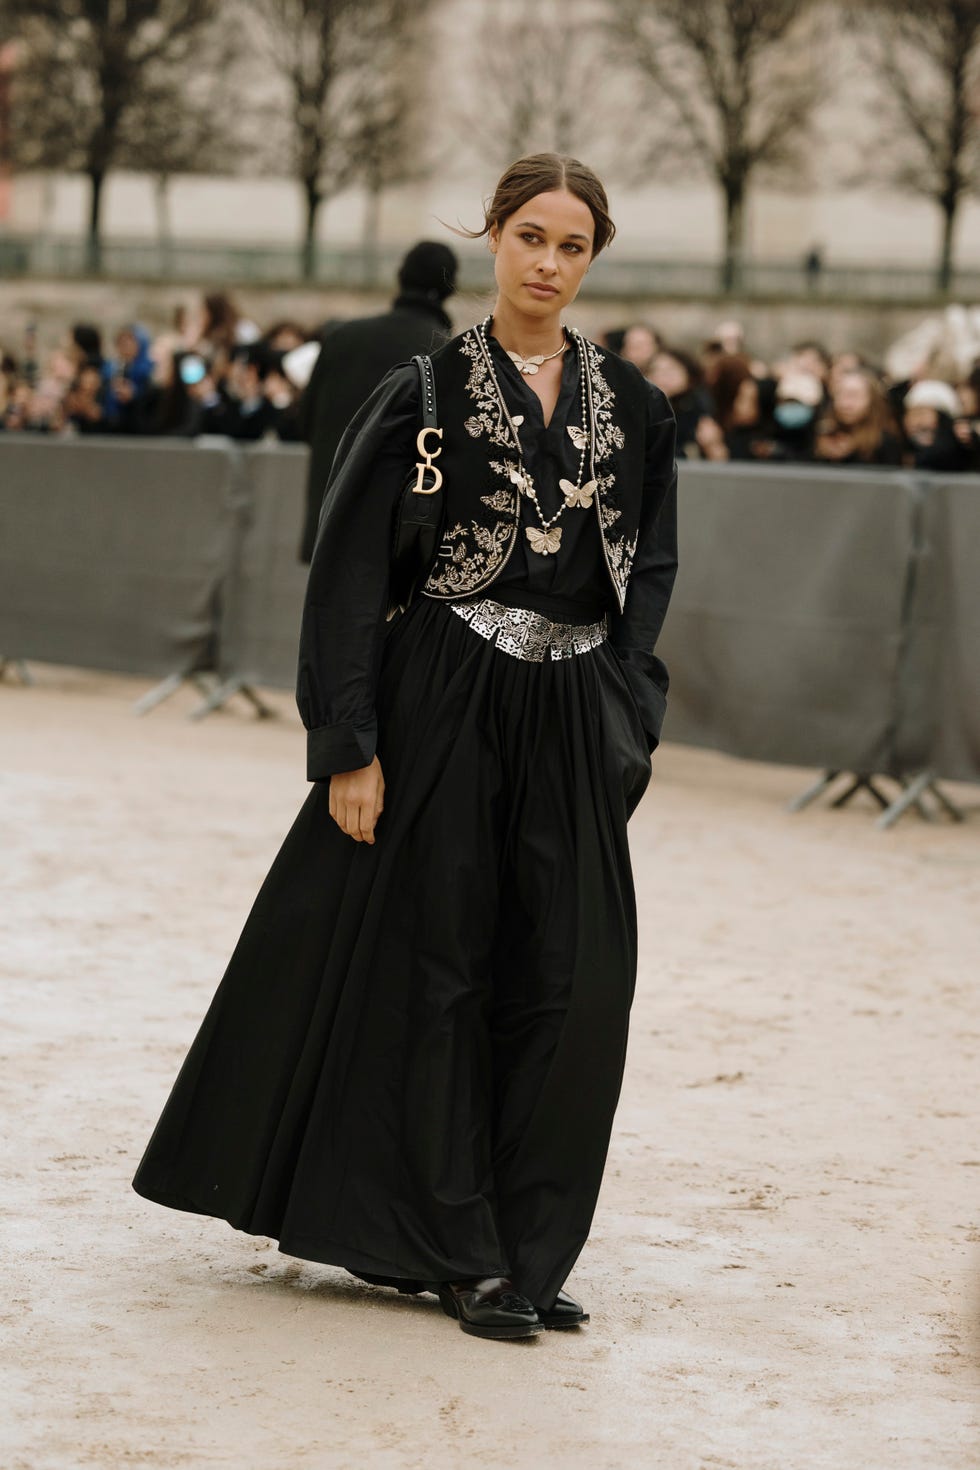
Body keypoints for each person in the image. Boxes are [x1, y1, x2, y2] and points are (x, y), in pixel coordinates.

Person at [132, 152, 678, 1343]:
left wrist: (629, 709)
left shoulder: (632, 403)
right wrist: (347, 744)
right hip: (442, 694)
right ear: (493, 236)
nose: (547, 262)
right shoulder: (423, 391)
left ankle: (527, 1247)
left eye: (571, 244)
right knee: (442, 971)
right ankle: (462, 1249)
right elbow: (344, 577)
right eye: (529, 235)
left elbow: (654, 561)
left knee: (573, 983)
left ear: (593, 258)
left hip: (573, 706)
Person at [297, 241, 459, 563]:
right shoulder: (441, 352)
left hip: (330, 518)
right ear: (449, 288)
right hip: (396, 534)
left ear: (401, 277)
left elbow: (304, 422)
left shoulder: (342, 337)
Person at [814, 368, 903, 467]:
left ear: (872, 401)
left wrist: (851, 454)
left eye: (854, 396)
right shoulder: (822, 433)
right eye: (840, 394)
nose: (845, 404)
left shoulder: (885, 443)